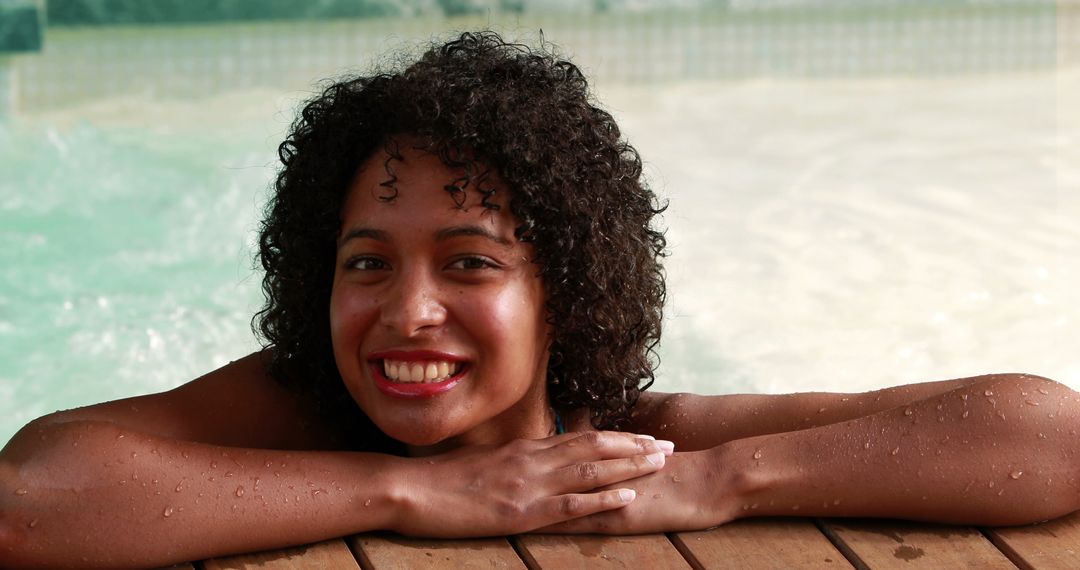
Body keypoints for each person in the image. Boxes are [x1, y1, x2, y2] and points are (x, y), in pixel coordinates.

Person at [1, 30, 1077, 569]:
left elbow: (1052, 434)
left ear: (564, 290)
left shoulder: (632, 441)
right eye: (367, 262)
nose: (405, 311)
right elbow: (29, 496)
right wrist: (413, 496)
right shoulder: (299, 410)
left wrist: (719, 486)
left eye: (468, 262)